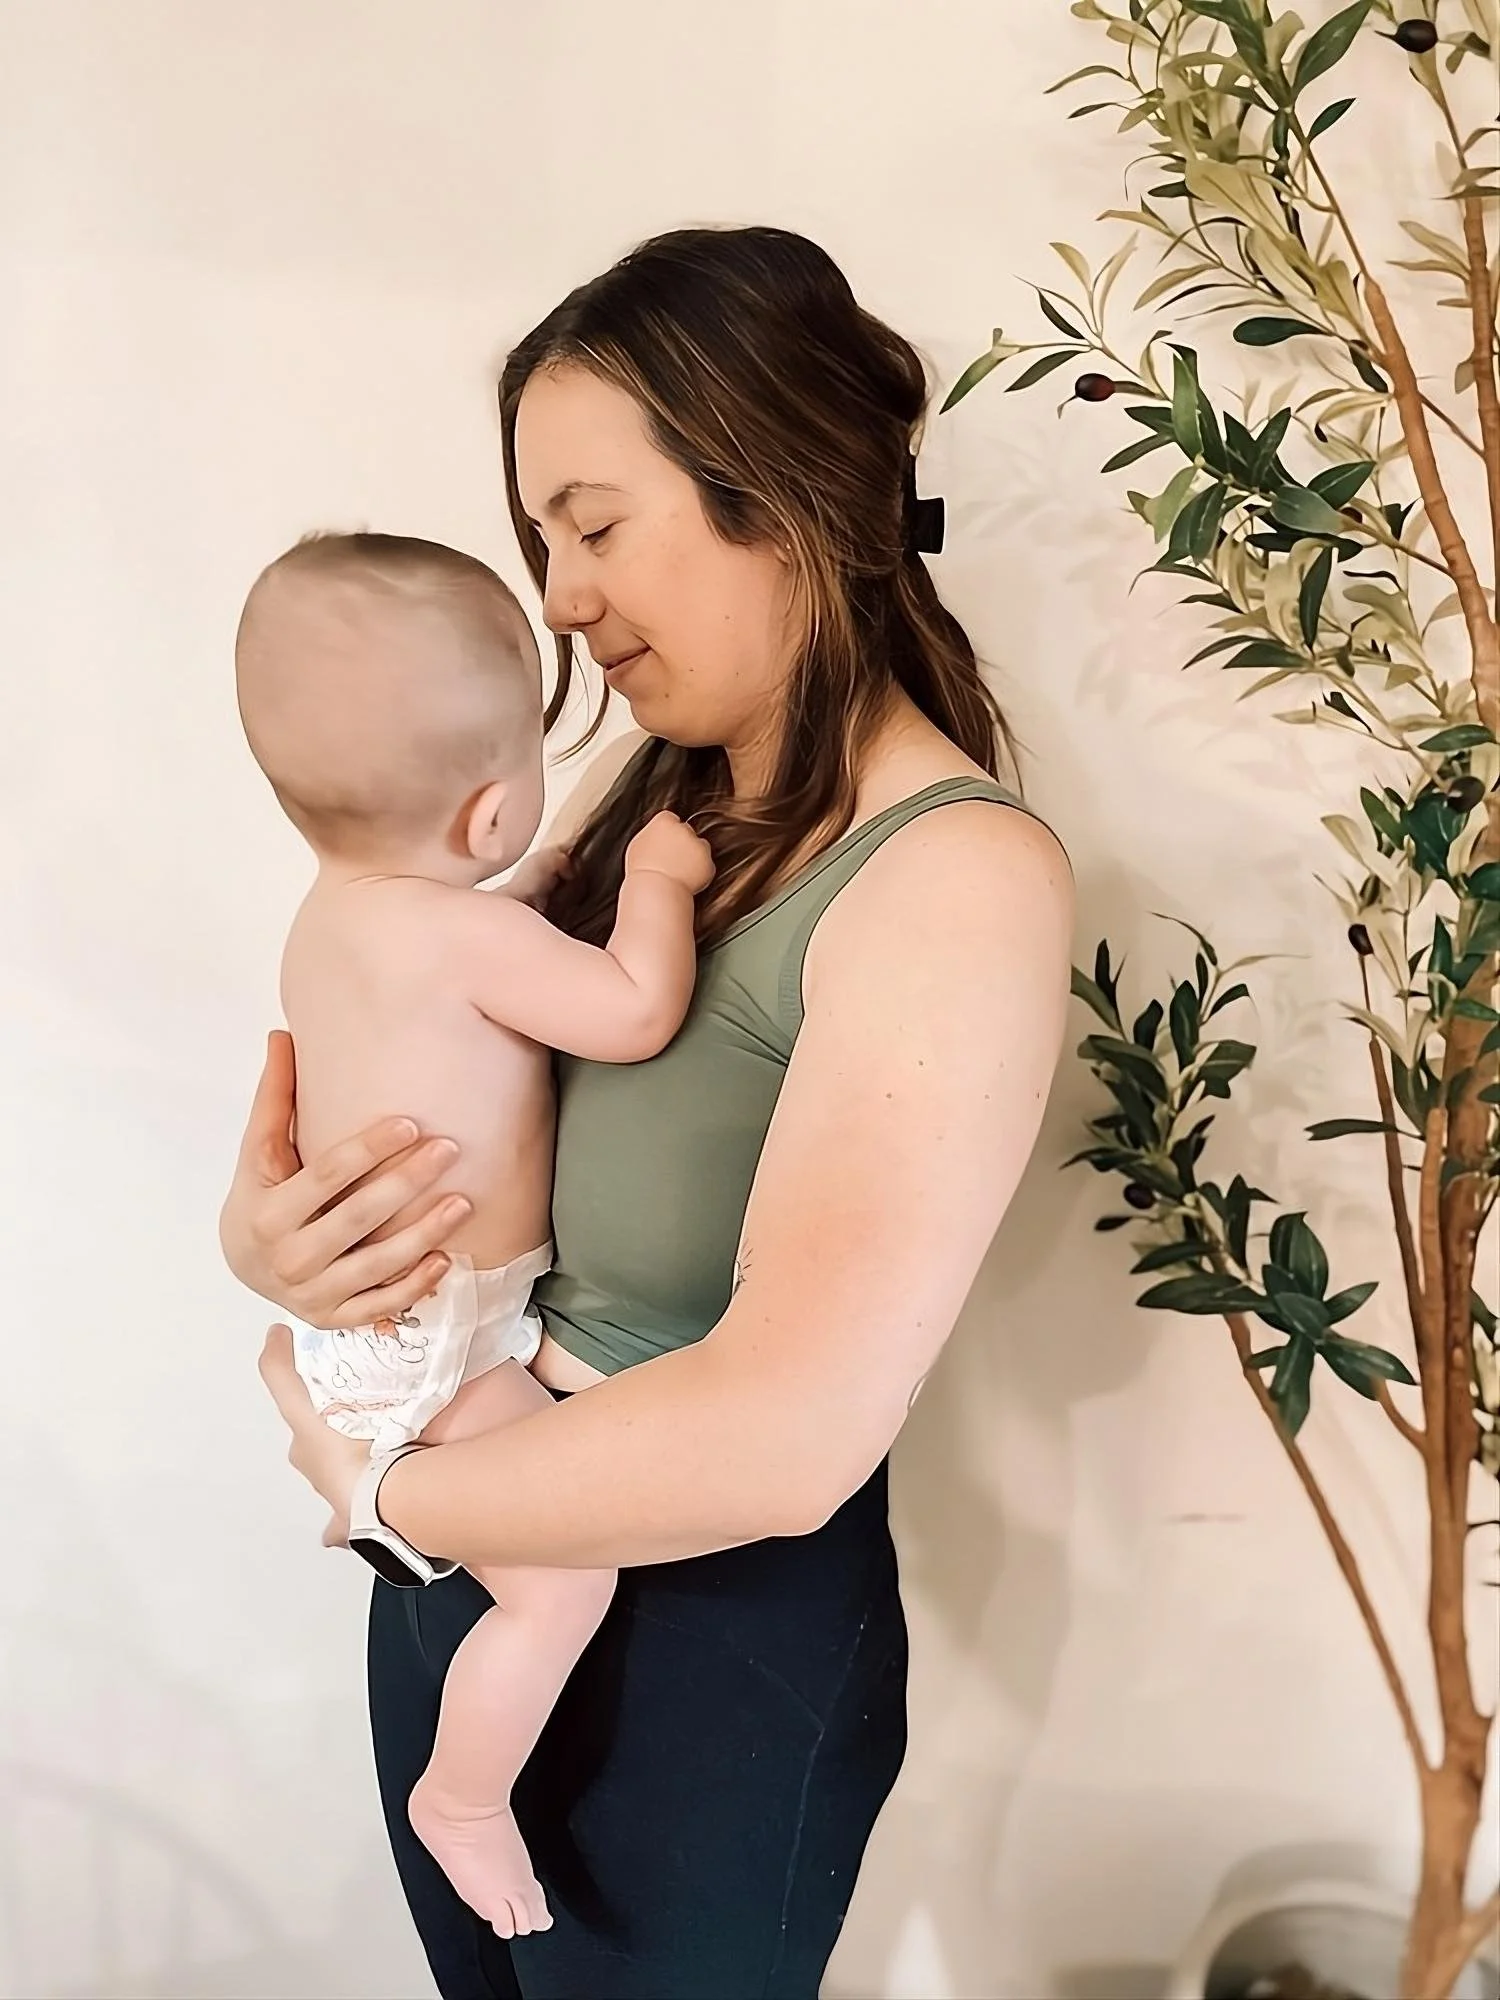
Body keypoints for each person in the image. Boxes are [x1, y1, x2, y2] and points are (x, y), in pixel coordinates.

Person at [222, 225, 1074, 2000]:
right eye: (542, 542)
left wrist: (383, 1483)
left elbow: (783, 1435)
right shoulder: (653, 813)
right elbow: (416, 1070)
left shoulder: (953, 876)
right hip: (472, 1576)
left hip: (692, 1663)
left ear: (783, 490)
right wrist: (283, 1248)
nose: (558, 600)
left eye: (595, 528)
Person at [233, 529, 715, 1941]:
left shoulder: (340, 918)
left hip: (388, 1323)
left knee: (534, 1553)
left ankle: (313, 1403)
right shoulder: (470, 938)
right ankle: (462, 1792)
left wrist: (540, 869)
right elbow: (629, 1010)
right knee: (567, 1586)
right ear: (489, 812)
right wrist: (659, 889)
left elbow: (471, 956)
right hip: (445, 1345)